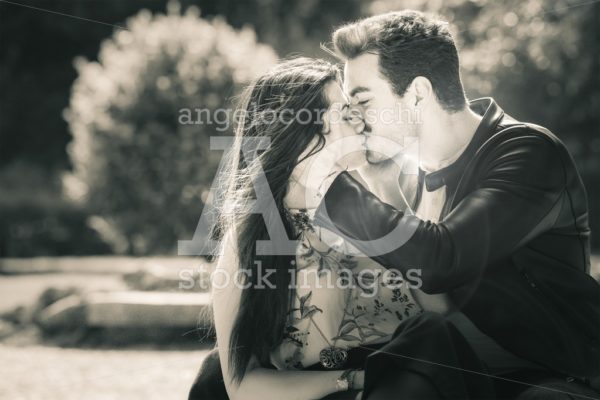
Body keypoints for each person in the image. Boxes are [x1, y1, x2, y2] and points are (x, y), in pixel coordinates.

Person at [307, 10, 600, 400]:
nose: (354, 119)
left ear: (417, 93)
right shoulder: (411, 177)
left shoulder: (527, 153)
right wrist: (381, 188)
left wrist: (318, 176)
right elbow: (435, 305)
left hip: (548, 378)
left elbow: (441, 259)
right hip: (452, 368)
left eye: (362, 100)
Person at [189, 57, 430, 400]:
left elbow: (440, 309)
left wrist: (388, 194)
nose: (360, 119)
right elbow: (242, 385)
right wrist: (354, 380)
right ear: (302, 134)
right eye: (345, 111)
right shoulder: (249, 236)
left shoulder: (376, 206)